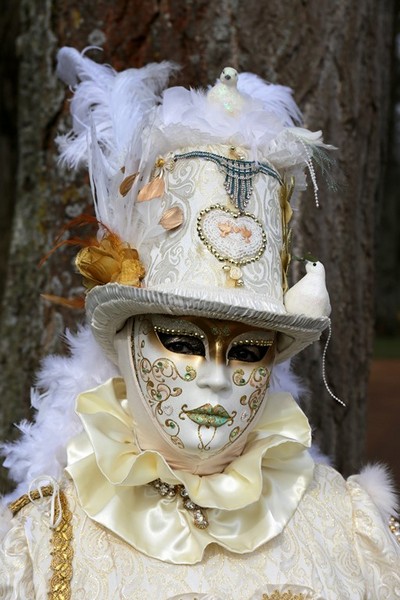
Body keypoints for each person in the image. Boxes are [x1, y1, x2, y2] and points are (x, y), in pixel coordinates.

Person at [0, 47, 399, 599]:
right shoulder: (43, 543)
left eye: (248, 351)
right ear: (126, 339)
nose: (216, 379)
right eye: (182, 341)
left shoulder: (351, 532)